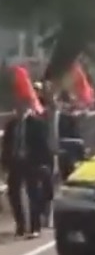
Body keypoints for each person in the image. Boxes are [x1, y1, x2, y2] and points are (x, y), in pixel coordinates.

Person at [1, 94, 51, 238]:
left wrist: (44, 163)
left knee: (33, 194)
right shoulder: (11, 125)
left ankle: (35, 226)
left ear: (27, 106)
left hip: (32, 163)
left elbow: (43, 145)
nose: (17, 109)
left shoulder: (37, 124)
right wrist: (4, 164)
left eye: (20, 105)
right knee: (13, 194)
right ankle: (20, 225)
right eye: (16, 106)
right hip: (15, 163)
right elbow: (6, 146)